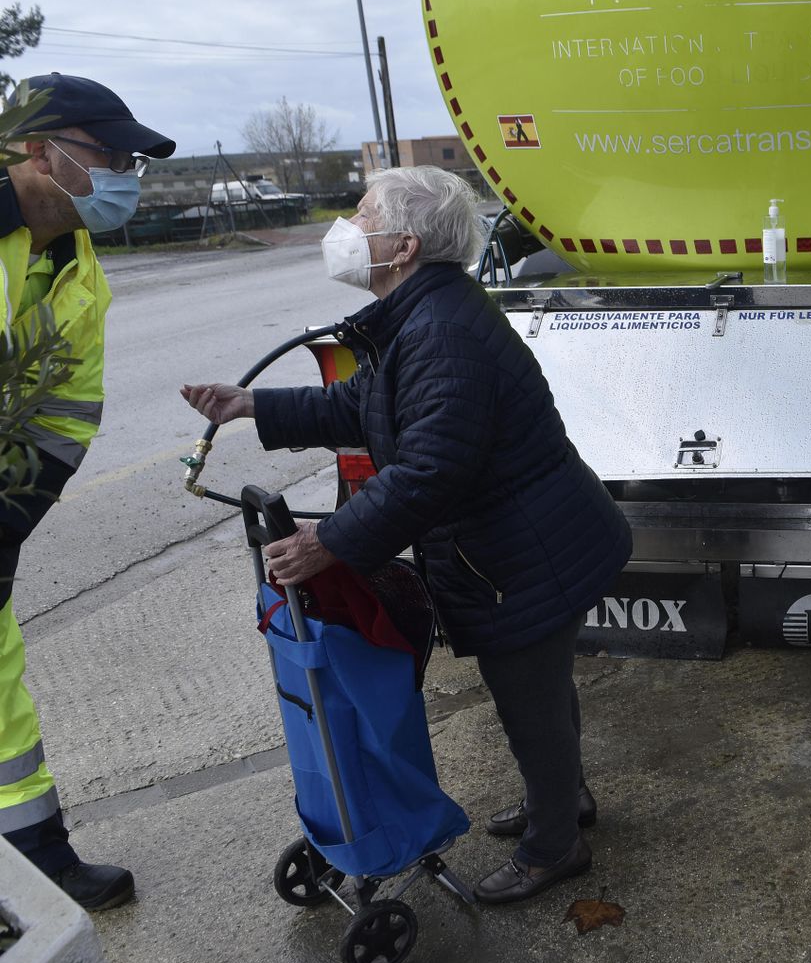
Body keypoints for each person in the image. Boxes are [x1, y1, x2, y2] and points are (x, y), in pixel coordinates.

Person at [181, 166, 631, 904]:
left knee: (531, 701)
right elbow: (362, 404)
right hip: (518, 547)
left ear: (405, 245)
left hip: (529, 555)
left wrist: (329, 543)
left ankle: (555, 847)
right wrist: (254, 405)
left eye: (362, 216)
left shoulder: (441, 330)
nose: (347, 231)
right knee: (537, 693)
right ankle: (565, 801)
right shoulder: (423, 314)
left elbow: (429, 471)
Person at [1, 73, 174, 911]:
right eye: (111, 155)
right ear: (39, 152)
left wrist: (7, 525)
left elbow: (61, 418)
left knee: (3, 710)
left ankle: (37, 865)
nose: (128, 176)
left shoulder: (76, 269)